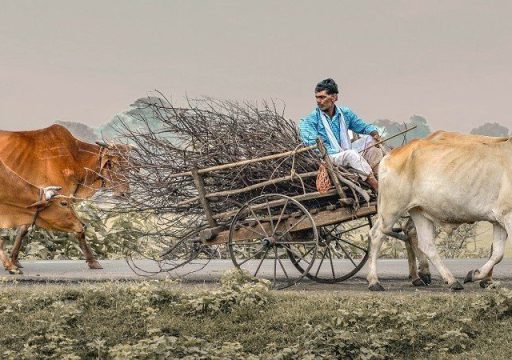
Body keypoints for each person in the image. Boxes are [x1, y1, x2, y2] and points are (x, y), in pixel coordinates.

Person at [299, 78, 383, 191]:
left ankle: (381, 177)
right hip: (328, 156)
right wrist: (340, 153)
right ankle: (376, 187)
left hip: (344, 151)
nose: (319, 101)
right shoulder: (310, 120)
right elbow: (311, 146)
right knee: (351, 155)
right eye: (317, 97)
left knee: (371, 140)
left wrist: (374, 133)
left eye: (322, 97)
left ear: (334, 98)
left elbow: (362, 127)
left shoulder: (345, 113)